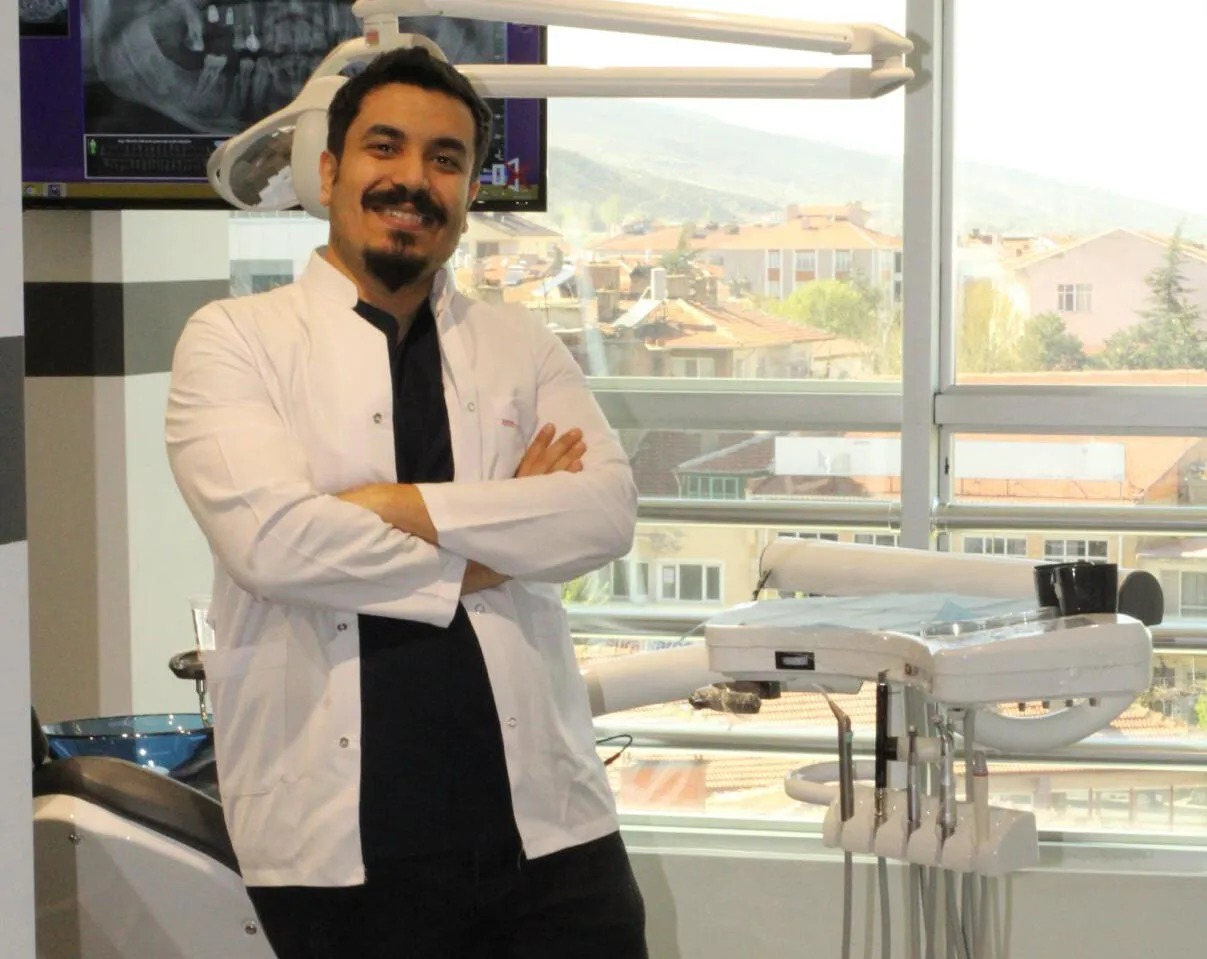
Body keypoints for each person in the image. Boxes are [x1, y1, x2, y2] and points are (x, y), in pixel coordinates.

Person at [166, 45, 646, 958]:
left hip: (551, 842)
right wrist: (502, 534)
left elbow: (603, 513)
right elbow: (272, 544)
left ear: (468, 191)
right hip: (337, 855)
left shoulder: (520, 344)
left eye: (445, 159)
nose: (414, 180)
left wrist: (382, 504)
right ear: (328, 171)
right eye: (384, 147)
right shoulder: (234, 339)